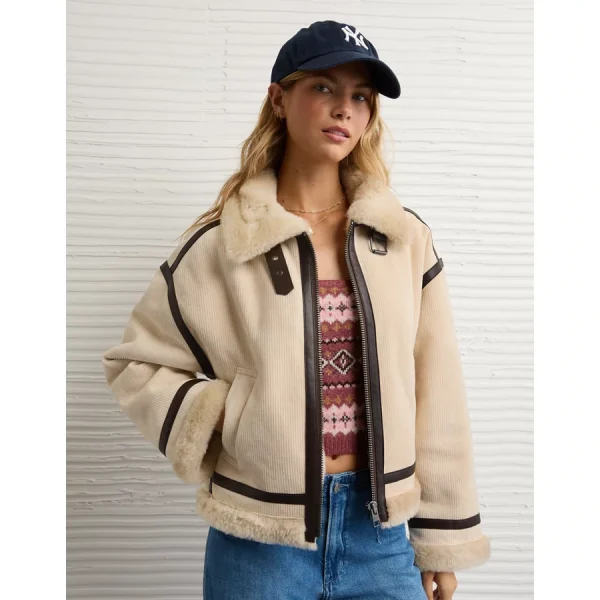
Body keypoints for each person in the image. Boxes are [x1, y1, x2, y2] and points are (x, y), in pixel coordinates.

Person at [102, 19, 491, 600]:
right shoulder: (224, 243)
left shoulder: (402, 240)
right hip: (258, 543)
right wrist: (230, 416)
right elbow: (135, 363)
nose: (344, 109)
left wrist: (440, 540)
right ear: (279, 100)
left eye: (361, 96)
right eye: (323, 88)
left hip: (382, 539)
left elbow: (438, 393)